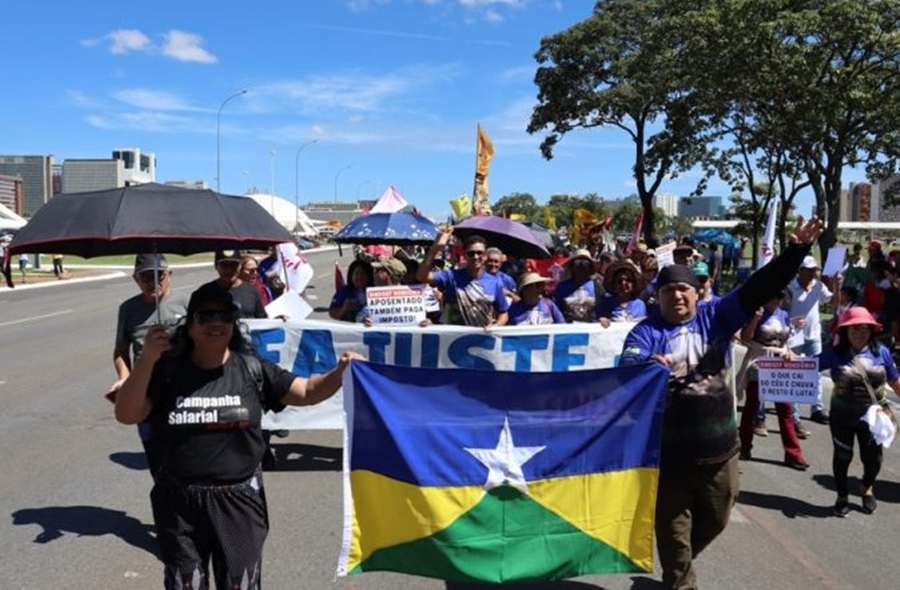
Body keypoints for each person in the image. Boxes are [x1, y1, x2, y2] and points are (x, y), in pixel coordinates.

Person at [618, 216, 823, 589]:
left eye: (684, 289)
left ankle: (678, 564)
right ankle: (679, 575)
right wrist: (647, 365)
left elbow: (760, 287)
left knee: (716, 520)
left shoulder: (718, 316)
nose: (677, 296)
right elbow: (629, 363)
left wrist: (795, 252)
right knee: (674, 536)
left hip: (721, 452)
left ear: (698, 293)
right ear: (657, 297)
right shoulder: (645, 332)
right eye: (668, 290)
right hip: (669, 457)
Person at [114, 281, 363, 588]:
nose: (216, 323)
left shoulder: (251, 368)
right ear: (190, 325)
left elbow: (307, 392)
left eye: (225, 315)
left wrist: (340, 373)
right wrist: (147, 360)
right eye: (205, 316)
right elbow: (127, 414)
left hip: (239, 502)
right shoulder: (166, 370)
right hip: (179, 504)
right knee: (185, 583)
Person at [110, 254, 189, 478]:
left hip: (182, 388)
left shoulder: (186, 303)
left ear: (169, 275)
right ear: (135, 279)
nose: (152, 282)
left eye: (158, 276)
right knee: (154, 450)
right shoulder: (128, 309)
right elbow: (120, 350)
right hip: (145, 390)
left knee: (185, 451)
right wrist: (125, 377)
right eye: (145, 277)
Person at [820, 307, 900, 516]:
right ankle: (842, 496)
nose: (859, 333)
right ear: (845, 332)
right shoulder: (834, 354)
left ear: (871, 331)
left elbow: (894, 380)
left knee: (873, 459)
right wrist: (788, 358)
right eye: (853, 329)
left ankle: (867, 487)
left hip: (874, 419)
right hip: (841, 417)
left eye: (864, 329)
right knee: (842, 456)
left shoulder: (881, 352)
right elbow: (806, 366)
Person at [737, 289, 809, 470]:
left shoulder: (783, 315)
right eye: (774, 295)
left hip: (779, 364)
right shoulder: (756, 313)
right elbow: (745, 338)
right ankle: (744, 447)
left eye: (781, 296)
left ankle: (794, 454)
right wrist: (755, 319)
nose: (777, 299)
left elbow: (786, 341)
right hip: (759, 362)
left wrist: (789, 352)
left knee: (785, 409)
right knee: (752, 407)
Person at [416, 229, 509, 328]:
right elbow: (421, 276)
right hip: (453, 335)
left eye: (479, 253)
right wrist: (435, 248)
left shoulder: (495, 282)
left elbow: (503, 313)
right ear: (465, 255)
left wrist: (497, 325)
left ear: (485, 255)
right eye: (471, 253)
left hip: (482, 335)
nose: (475, 257)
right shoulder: (451, 276)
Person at [788, 255, 839, 425]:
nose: (812, 274)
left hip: (813, 335)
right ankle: (793, 413)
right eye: (809, 270)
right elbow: (781, 310)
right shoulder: (790, 287)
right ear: (800, 270)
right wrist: (791, 322)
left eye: (814, 270)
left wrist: (837, 284)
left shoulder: (818, 286)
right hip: (794, 335)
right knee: (794, 374)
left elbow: (834, 302)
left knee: (815, 372)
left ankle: (816, 408)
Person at [208, 250, 267, 319]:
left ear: (239, 266)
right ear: (216, 266)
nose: (229, 270)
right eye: (224, 265)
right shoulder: (205, 293)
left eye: (233, 265)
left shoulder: (252, 291)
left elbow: (262, 320)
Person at [552, 249, 601, 323]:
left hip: (591, 326)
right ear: (571, 267)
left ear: (590, 267)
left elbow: (602, 310)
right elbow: (556, 311)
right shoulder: (562, 287)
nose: (581, 266)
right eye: (577, 263)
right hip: (569, 326)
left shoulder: (597, 287)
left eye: (585, 263)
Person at [596, 259, 647, 327]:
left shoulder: (640, 305)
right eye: (620, 281)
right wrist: (600, 320)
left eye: (628, 280)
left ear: (633, 284)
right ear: (614, 284)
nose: (623, 283)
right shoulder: (606, 303)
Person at [329, 258, 374, 322]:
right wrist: (344, 308)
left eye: (363, 274)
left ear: (369, 276)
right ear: (351, 276)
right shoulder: (344, 291)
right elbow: (332, 313)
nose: (360, 277)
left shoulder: (376, 292)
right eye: (356, 274)